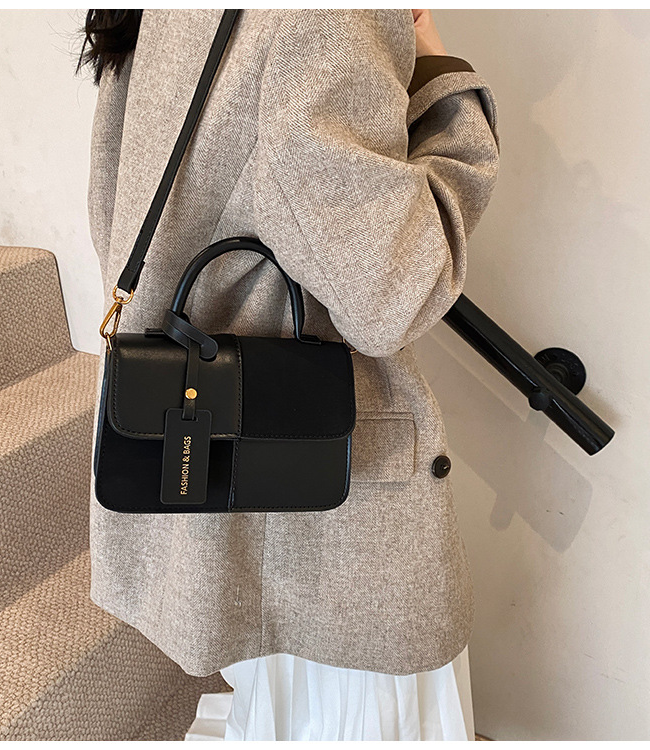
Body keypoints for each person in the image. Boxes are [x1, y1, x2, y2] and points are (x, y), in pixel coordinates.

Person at [80, 8, 500, 741]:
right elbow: (395, 291)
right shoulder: (322, 16)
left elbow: (113, 211)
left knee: (290, 713)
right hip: (329, 526)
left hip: (230, 481)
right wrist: (441, 75)